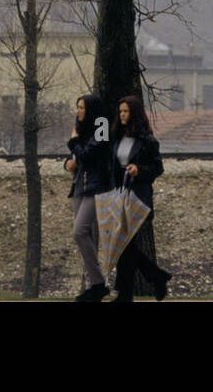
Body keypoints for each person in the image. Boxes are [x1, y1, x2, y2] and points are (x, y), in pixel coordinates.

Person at [110, 94, 172, 302]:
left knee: (125, 244)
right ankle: (156, 277)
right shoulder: (117, 137)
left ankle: (126, 294)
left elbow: (158, 167)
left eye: (126, 111)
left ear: (134, 113)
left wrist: (139, 170)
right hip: (119, 195)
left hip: (137, 196)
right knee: (124, 245)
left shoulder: (147, 141)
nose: (122, 115)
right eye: (120, 111)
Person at [65, 94, 113, 302]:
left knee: (80, 232)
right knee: (86, 238)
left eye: (82, 107)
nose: (79, 111)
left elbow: (88, 154)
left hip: (96, 186)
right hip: (80, 186)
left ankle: (98, 283)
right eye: (77, 107)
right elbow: (77, 157)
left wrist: (74, 141)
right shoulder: (83, 128)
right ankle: (91, 286)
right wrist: (68, 162)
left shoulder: (101, 126)